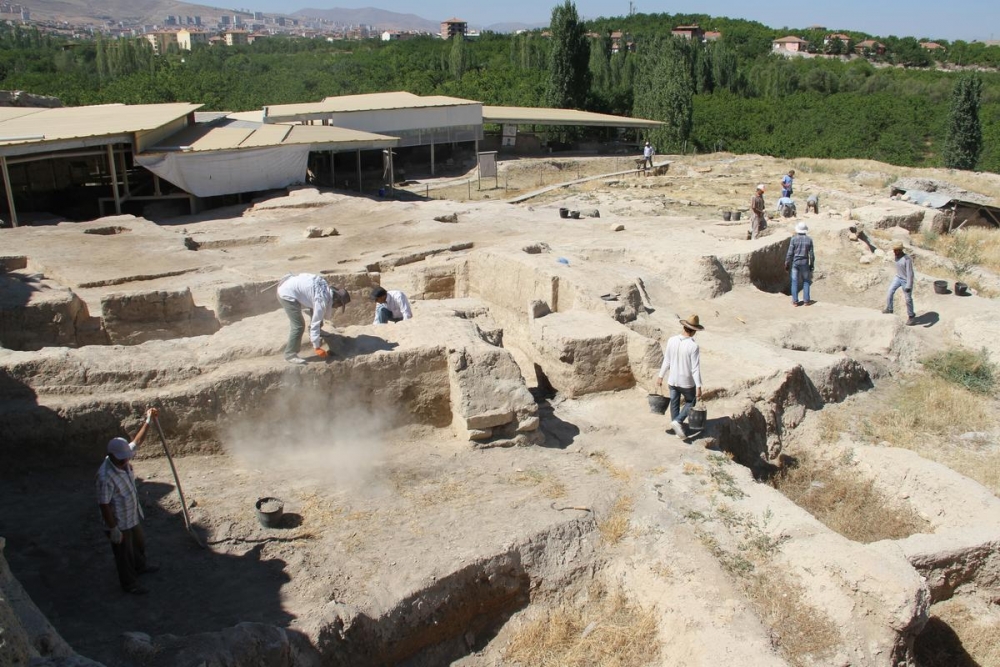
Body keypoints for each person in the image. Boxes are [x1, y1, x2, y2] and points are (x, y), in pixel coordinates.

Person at [97, 407, 160, 595]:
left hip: (131, 514)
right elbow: (104, 504)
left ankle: (140, 567)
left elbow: (137, 442)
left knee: (138, 543)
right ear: (112, 456)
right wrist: (113, 528)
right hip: (119, 522)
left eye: (127, 458)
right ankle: (129, 584)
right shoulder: (105, 476)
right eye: (123, 460)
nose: (126, 461)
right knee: (123, 553)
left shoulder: (122, 457)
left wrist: (148, 420)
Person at [276, 273, 350, 364]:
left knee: (316, 312)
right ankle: (290, 354)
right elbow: (315, 322)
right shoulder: (321, 301)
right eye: (338, 305)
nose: (336, 307)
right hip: (286, 294)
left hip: (287, 284)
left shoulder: (324, 287)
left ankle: (314, 333)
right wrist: (317, 347)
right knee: (298, 326)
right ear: (335, 300)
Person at [655, 315, 704, 441]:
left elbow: (667, 360)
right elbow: (695, 368)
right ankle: (677, 421)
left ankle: (677, 428)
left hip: (672, 380)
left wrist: (661, 376)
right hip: (686, 382)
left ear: (684, 327)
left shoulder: (672, 340)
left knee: (674, 403)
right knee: (691, 402)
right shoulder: (693, 346)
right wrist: (698, 385)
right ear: (694, 331)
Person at [884, 241, 917, 325]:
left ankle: (911, 316)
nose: (894, 252)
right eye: (894, 250)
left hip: (906, 280)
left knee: (908, 299)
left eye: (896, 250)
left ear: (901, 250)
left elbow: (910, 273)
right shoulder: (896, 256)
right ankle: (889, 308)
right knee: (890, 291)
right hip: (898, 277)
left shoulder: (907, 259)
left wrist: (909, 285)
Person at [785, 222, 815, 306]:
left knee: (794, 281)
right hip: (805, 262)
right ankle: (806, 301)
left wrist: (787, 262)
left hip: (795, 263)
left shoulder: (794, 239)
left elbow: (790, 253)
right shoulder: (809, 240)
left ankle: (795, 301)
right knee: (806, 281)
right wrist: (812, 264)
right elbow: (811, 254)